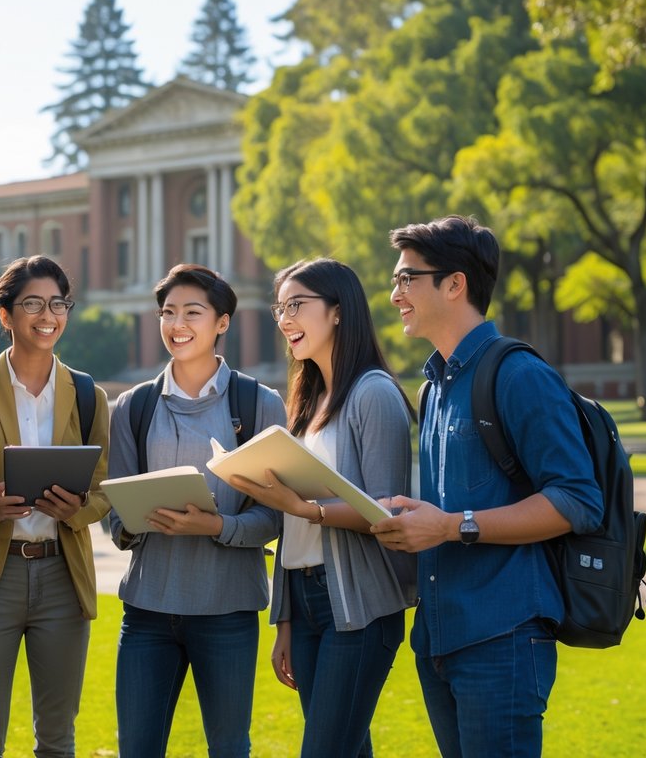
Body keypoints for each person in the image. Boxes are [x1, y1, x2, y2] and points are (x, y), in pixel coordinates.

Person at [372, 216, 603, 758]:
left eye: (408, 279)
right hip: (437, 638)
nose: (394, 293)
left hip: (504, 637)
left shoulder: (519, 376)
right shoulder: (433, 389)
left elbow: (576, 500)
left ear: (455, 284)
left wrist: (452, 526)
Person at [223, 258, 416, 757]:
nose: (284, 319)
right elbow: (291, 531)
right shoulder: (307, 403)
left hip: (357, 604)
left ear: (337, 311)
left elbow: (388, 514)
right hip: (306, 603)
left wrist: (308, 509)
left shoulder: (373, 394)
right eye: (279, 308)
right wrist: (286, 619)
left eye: (297, 305)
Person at [107, 263, 286, 758]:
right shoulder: (132, 408)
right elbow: (114, 509)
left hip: (227, 611)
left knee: (229, 748)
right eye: (167, 312)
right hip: (146, 610)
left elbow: (276, 516)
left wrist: (217, 526)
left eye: (192, 312)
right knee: (137, 749)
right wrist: (130, 523)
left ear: (222, 322)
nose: (176, 324)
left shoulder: (260, 405)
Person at [0, 255, 111, 758]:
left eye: (58, 303)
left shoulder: (87, 395)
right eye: (33, 303)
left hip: (63, 576)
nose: (48, 315)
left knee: (58, 739)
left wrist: (74, 509)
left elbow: (105, 490)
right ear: (5, 314)